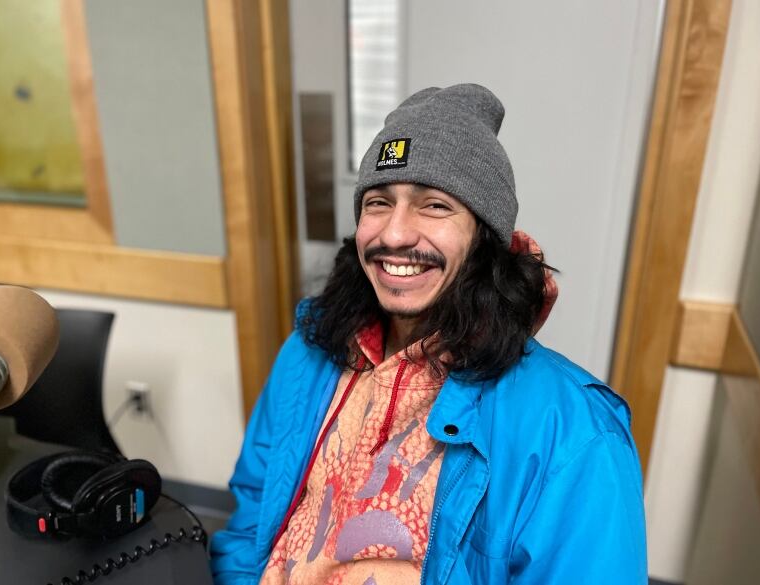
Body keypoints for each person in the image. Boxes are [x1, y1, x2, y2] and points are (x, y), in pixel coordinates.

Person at [210, 84, 647, 585]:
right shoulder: (310, 351)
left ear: (485, 236)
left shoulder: (576, 435)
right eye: (378, 202)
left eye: (434, 205)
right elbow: (251, 520)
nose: (394, 234)